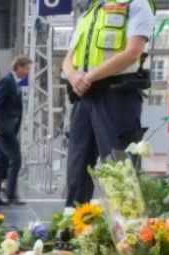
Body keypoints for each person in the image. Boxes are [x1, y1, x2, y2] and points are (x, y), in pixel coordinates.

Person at [62, 0, 154, 205]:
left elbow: (132, 52)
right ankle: (72, 229)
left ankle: (128, 233)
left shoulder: (137, 5)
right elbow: (68, 59)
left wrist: (88, 77)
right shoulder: (89, 14)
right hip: (83, 97)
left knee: (119, 171)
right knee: (76, 172)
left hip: (117, 97)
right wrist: (73, 76)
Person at [0, 56, 32, 206]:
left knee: (0, 164)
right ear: (18, 67)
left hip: (8, 128)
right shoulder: (6, 81)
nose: (27, 72)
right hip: (4, 129)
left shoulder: (14, 82)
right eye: (26, 68)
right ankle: (11, 195)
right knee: (16, 159)